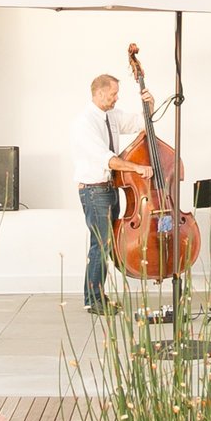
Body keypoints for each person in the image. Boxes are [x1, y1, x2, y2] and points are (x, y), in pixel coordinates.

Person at [70, 72, 148, 312]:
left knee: (107, 243)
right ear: (100, 92)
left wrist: (150, 105)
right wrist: (136, 167)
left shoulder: (111, 116)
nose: (116, 98)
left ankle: (98, 295)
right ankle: (92, 300)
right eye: (113, 93)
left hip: (110, 189)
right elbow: (108, 160)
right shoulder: (85, 123)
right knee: (101, 245)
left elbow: (140, 123)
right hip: (94, 192)